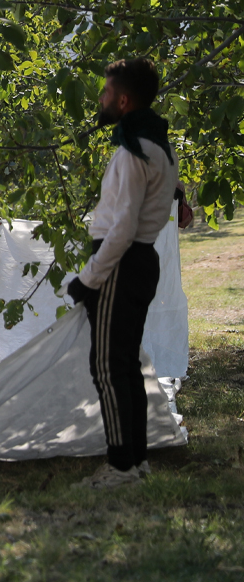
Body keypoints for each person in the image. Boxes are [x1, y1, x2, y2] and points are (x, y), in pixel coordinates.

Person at [64, 58, 181, 490]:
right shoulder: (158, 144)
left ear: (124, 100)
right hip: (139, 263)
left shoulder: (136, 151)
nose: (101, 99)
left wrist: (89, 279)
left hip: (121, 264)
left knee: (109, 366)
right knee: (126, 364)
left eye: (106, 92)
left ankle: (121, 467)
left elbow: (123, 229)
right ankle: (137, 460)